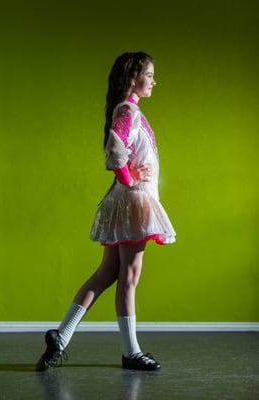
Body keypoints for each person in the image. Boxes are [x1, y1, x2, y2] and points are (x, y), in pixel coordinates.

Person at [35, 51, 176, 372]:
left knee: (107, 274)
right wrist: (128, 180)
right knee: (129, 277)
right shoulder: (128, 111)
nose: (154, 81)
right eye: (150, 75)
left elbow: (121, 149)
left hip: (126, 200)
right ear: (133, 78)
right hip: (133, 201)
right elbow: (115, 150)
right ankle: (131, 352)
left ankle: (61, 335)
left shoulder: (129, 111)